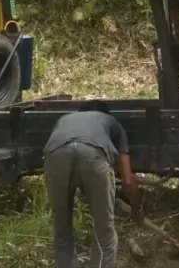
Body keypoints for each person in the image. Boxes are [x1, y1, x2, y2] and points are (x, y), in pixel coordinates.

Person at [43, 100, 141, 268]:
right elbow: (127, 180)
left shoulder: (65, 119)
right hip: (93, 154)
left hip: (56, 156)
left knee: (62, 230)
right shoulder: (112, 122)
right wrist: (136, 209)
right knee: (105, 232)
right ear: (106, 114)